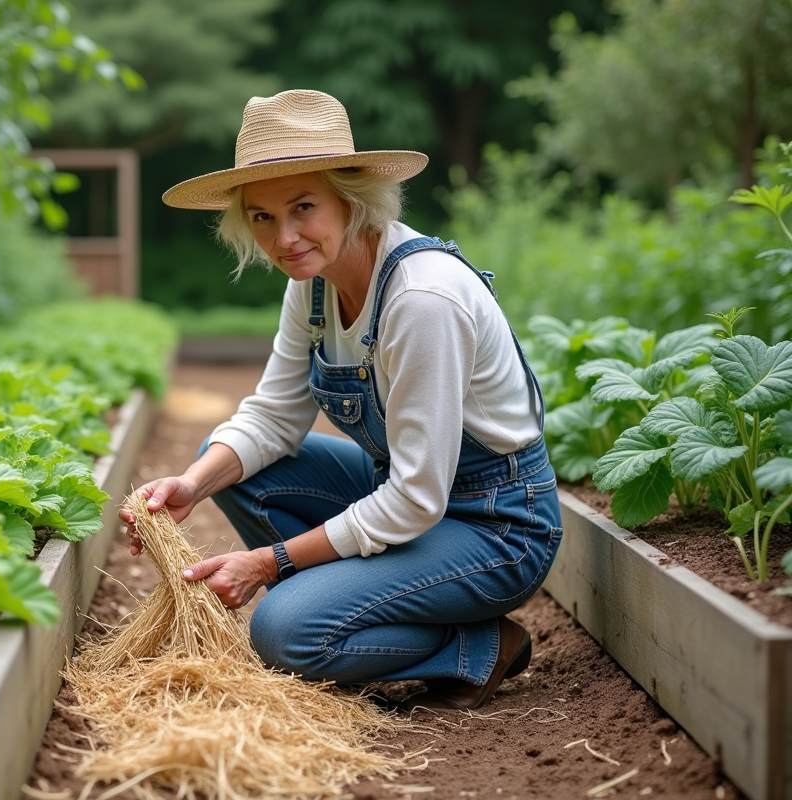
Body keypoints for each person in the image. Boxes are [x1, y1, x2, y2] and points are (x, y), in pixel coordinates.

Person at [119, 89, 562, 711]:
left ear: (351, 199)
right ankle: (367, 598)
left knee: (285, 632)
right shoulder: (316, 285)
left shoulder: (421, 300)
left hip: (495, 526)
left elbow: (414, 498)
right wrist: (191, 485)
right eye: (263, 217)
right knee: (230, 467)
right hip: (410, 502)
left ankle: (476, 648)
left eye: (304, 207)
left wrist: (271, 564)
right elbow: (274, 418)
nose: (286, 237)